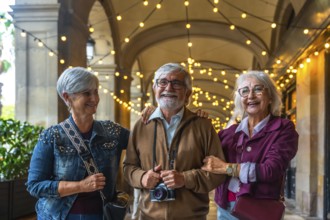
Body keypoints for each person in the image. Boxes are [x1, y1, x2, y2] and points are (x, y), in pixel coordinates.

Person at [123, 63, 226, 220]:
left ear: (187, 93)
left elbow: (217, 173)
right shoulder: (142, 124)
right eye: (162, 82)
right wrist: (142, 177)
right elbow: (128, 167)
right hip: (148, 216)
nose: (168, 88)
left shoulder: (203, 125)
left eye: (176, 83)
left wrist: (185, 179)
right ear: (154, 89)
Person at [26, 67, 130, 220]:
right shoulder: (52, 136)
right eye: (87, 93)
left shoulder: (112, 132)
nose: (94, 98)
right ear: (67, 97)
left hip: (103, 215)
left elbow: (142, 141)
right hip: (58, 216)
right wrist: (81, 186)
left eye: (96, 91)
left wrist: (153, 114)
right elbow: (35, 186)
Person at [202, 71, 299, 219]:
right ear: (239, 99)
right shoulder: (229, 133)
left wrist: (225, 167)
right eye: (244, 91)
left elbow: (270, 170)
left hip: (259, 210)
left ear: (270, 96)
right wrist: (198, 123)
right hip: (225, 208)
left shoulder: (283, 129)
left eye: (258, 89)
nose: (251, 96)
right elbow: (200, 154)